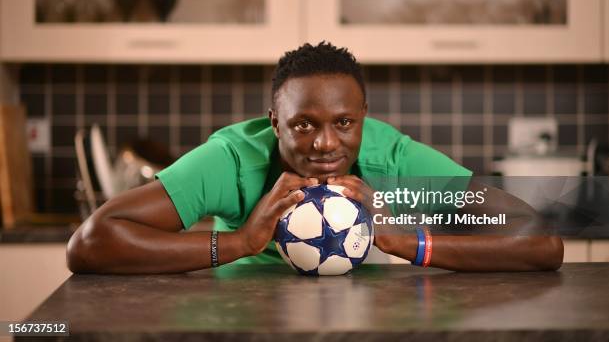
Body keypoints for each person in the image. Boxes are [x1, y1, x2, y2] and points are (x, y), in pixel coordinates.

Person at [66, 42, 563, 274]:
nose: (326, 144)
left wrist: (410, 241)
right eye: (304, 124)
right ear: (275, 121)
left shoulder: (390, 160)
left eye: (343, 123)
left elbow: (542, 242)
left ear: (363, 118)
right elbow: (90, 243)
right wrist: (238, 242)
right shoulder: (233, 160)